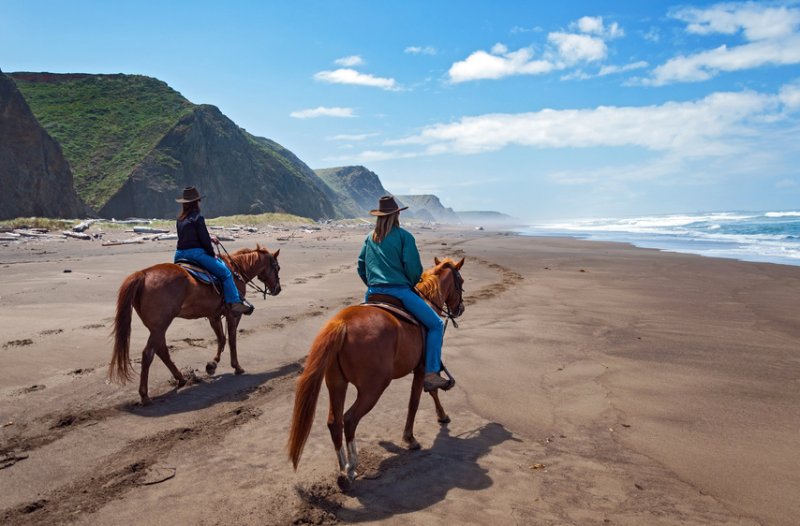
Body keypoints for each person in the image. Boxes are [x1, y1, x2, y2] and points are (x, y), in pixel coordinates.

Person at [357, 195, 452, 392]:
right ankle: (432, 373)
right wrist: (409, 283)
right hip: (399, 292)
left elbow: (361, 266)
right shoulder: (404, 237)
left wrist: (373, 284)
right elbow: (414, 269)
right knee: (435, 324)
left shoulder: (369, 238)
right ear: (396, 215)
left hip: (372, 294)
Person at [173, 186, 253, 315]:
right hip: (196, 254)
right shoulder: (198, 218)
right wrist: (212, 254)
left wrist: (210, 237)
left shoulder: (180, 219)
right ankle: (234, 302)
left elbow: (188, 236)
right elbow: (203, 240)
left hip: (179, 254)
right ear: (196, 202)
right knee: (225, 273)